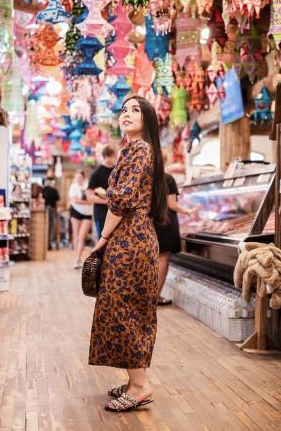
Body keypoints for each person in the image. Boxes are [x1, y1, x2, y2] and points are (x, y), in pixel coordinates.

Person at [89, 95, 168, 413]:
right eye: (123, 110)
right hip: (135, 241)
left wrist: (103, 237)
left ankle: (140, 386)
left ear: (148, 118)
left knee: (124, 312)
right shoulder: (140, 150)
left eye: (135, 110)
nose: (127, 114)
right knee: (129, 309)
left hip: (130, 243)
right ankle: (134, 380)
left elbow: (120, 200)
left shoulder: (139, 149)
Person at [154, 164, 196, 305]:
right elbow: (171, 204)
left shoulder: (144, 177)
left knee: (150, 260)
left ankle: (146, 296)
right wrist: (187, 211)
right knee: (163, 259)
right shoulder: (167, 179)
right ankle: (156, 296)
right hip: (165, 222)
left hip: (149, 222)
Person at [86, 145, 117, 238]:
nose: (115, 158)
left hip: (116, 212)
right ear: (106, 156)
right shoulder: (96, 174)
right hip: (101, 213)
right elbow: (90, 197)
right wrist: (106, 201)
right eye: (113, 156)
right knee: (103, 240)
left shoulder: (118, 171)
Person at [68, 170, 93, 269]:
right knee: (76, 235)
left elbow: (92, 199)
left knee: (82, 236)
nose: (78, 179)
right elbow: (74, 200)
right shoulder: (73, 187)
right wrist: (87, 202)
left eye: (80, 177)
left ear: (83, 177)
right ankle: (77, 258)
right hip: (76, 212)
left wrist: (87, 201)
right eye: (77, 177)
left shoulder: (88, 186)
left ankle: (78, 258)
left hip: (88, 213)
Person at [42, 179, 60, 249]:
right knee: (51, 227)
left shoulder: (42, 190)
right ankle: (49, 244)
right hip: (52, 209)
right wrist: (56, 211)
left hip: (43, 210)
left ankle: (45, 244)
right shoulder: (54, 190)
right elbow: (57, 203)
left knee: (45, 227)